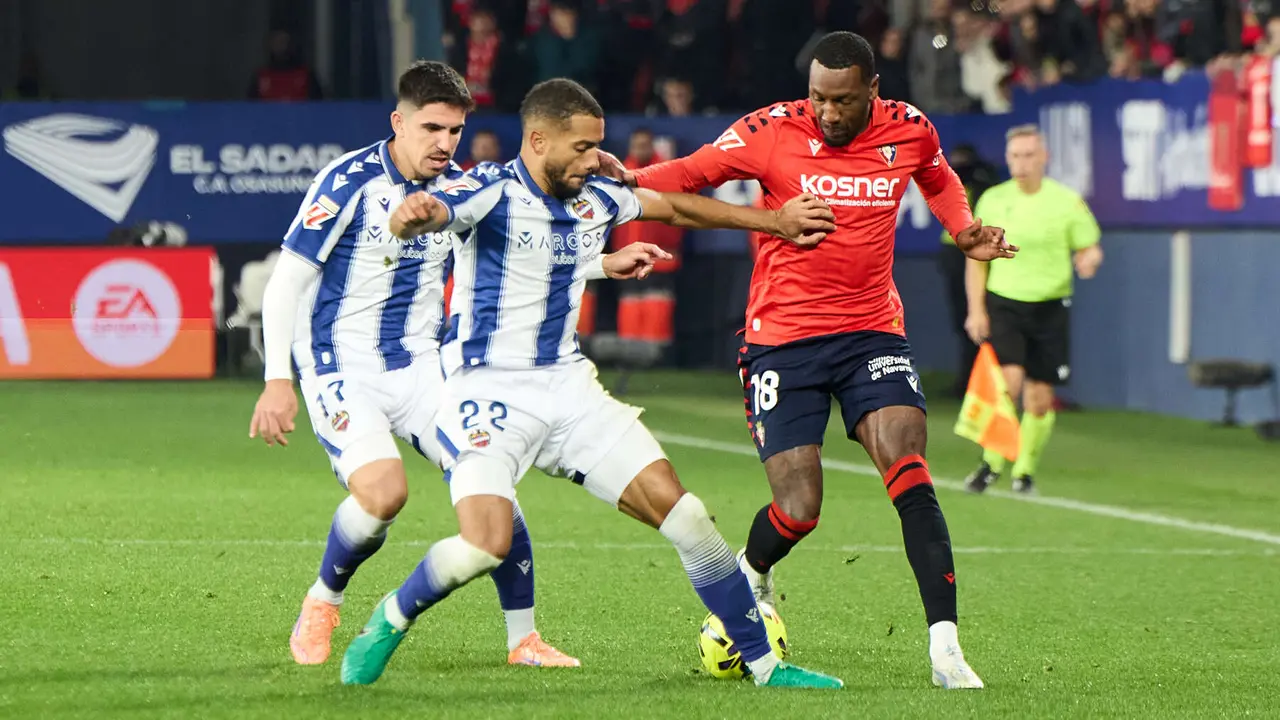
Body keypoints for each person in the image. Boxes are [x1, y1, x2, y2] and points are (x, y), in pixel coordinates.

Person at [338, 77, 844, 690]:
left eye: (597, 146)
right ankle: (391, 617)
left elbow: (676, 207)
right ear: (539, 140)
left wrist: (775, 223)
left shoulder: (594, 198)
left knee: (688, 517)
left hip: (572, 392)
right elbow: (442, 209)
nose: (594, 160)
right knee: (484, 545)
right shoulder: (491, 189)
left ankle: (767, 667)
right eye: (581, 148)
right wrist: (421, 214)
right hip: (486, 393)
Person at [601, 31, 1015, 689]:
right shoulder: (772, 128)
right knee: (799, 507)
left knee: (908, 468)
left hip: (871, 333)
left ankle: (946, 650)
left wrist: (960, 226)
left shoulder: (908, 128)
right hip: (782, 341)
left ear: (872, 91)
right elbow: (696, 171)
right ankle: (755, 571)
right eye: (819, 97)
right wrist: (629, 177)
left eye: (842, 101)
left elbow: (937, 176)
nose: (827, 112)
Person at [247, 60, 577, 670]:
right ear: (398, 121)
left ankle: (522, 639)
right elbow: (285, 281)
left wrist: (608, 254)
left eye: (454, 131)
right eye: (431, 128)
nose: (444, 143)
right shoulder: (348, 182)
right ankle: (324, 599)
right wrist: (277, 382)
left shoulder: (462, 189)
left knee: (492, 484)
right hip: (340, 367)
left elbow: (529, 247)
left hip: (423, 368)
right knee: (384, 493)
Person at [962, 124, 1102, 495]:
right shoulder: (991, 200)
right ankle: (991, 464)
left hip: (1051, 306)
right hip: (1005, 302)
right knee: (1008, 382)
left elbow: (1089, 245)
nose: (1021, 163)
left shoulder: (1066, 201)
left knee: (1039, 397)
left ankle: (1024, 472)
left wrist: (1089, 259)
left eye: (1028, 155)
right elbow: (976, 262)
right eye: (1014, 156)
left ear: (1044, 157)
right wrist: (976, 310)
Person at [939, 144, 1001, 398]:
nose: (957, 164)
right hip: (954, 252)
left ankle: (980, 383)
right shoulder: (951, 182)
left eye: (960, 160)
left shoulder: (981, 184)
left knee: (981, 318)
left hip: (977, 249)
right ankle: (969, 382)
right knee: (965, 321)